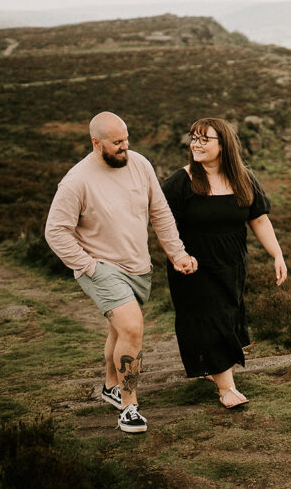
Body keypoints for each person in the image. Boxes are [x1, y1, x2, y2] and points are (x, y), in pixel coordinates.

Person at [45, 111, 198, 434]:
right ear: (95, 142)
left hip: (138, 266)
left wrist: (177, 253)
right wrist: (87, 266)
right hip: (101, 268)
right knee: (132, 328)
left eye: (126, 140)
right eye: (116, 143)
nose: (124, 147)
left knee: (119, 331)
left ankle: (110, 386)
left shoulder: (140, 165)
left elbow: (160, 212)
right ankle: (129, 407)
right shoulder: (76, 181)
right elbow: (55, 231)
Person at [161, 117, 287, 408]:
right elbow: (162, 224)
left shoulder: (243, 177)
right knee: (210, 319)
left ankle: (213, 367)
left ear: (224, 145)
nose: (196, 144)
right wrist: (177, 256)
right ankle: (227, 389)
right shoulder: (181, 181)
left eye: (205, 139)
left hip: (232, 264)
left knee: (227, 317)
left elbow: (258, 218)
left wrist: (277, 255)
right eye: (194, 137)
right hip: (193, 266)